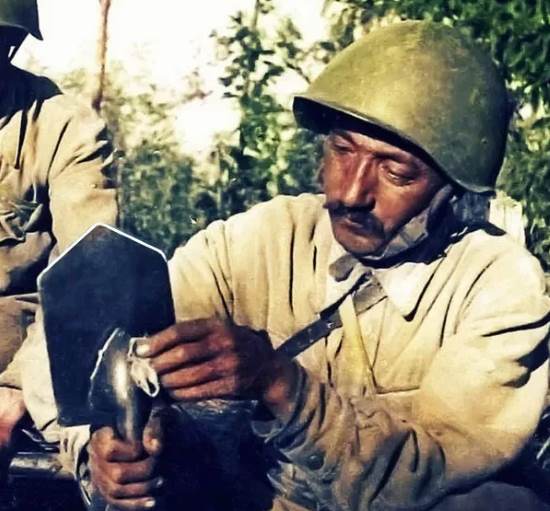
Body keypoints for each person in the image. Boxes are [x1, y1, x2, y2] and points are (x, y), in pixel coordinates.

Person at [35, 20, 550, 510]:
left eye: (396, 172)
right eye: (342, 151)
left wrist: (280, 385)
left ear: (453, 190)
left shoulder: (500, 286)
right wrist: (105, 447)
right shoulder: (261, 240)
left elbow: (425, 474)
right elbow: (83, 349)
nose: (351, 193)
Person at [0, 0, 118, 465]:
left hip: (17, 362)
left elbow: (87, 276)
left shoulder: (63, 128)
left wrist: (17, 389)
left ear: (11, 42)